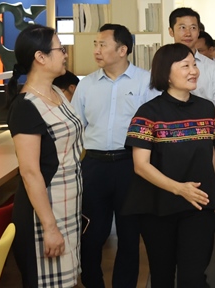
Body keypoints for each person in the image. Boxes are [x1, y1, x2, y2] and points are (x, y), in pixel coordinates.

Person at [123, 43, 215, 287]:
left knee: (193, 277)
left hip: (198, 206)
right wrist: (180, 189)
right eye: (185, 66)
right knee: (162, 276)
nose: (194, 71)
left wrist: (214, 201)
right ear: (166, 74)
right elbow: (140, 165)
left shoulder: (206, 108)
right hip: (158, 208)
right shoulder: (148, 113)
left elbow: (210, 156)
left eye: (194, 65)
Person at [71, 24, 158, 288]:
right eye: (95, 44)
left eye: (102, 44)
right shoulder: (86, 84)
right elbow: (76, 127)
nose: (96, 50)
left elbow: (155, 128)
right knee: (91, 233)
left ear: (122, 50)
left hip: (131, 165)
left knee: (129, 235)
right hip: (94, 165)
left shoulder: (146, 82)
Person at [6, 25, 82, 287]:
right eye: (60, 49)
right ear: (40, 57)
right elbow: (30, 172)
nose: (65, 54)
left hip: (67, 204)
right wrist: (50, 227)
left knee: (68, 280)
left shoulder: (57, 92)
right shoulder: (25, 106)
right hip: (44, 212)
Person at [169, 8, 215, 147]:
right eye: (182, 27)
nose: (188, 33)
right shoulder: (161, 66)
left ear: (198, 32)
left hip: (206, 142)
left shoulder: (212, 68)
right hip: (169, 142)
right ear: (171, 31)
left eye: (193, 28)